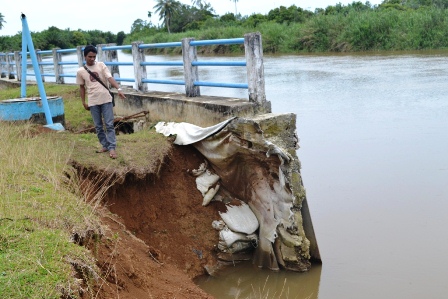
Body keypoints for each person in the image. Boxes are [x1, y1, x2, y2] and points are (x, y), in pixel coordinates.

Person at [76, 45, 126, 159]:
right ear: (84, 57)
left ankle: (112, 147)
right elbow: (82, 87)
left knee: (109, 124)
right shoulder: (80, 71)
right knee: (98, 126)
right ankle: (105, 145)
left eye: (94, 56)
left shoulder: (101, 65)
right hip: (93, 101)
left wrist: (118, 89)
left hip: (106, 99)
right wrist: (83, 102)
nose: (92, 59)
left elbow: (109, 78)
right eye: (90, 57)